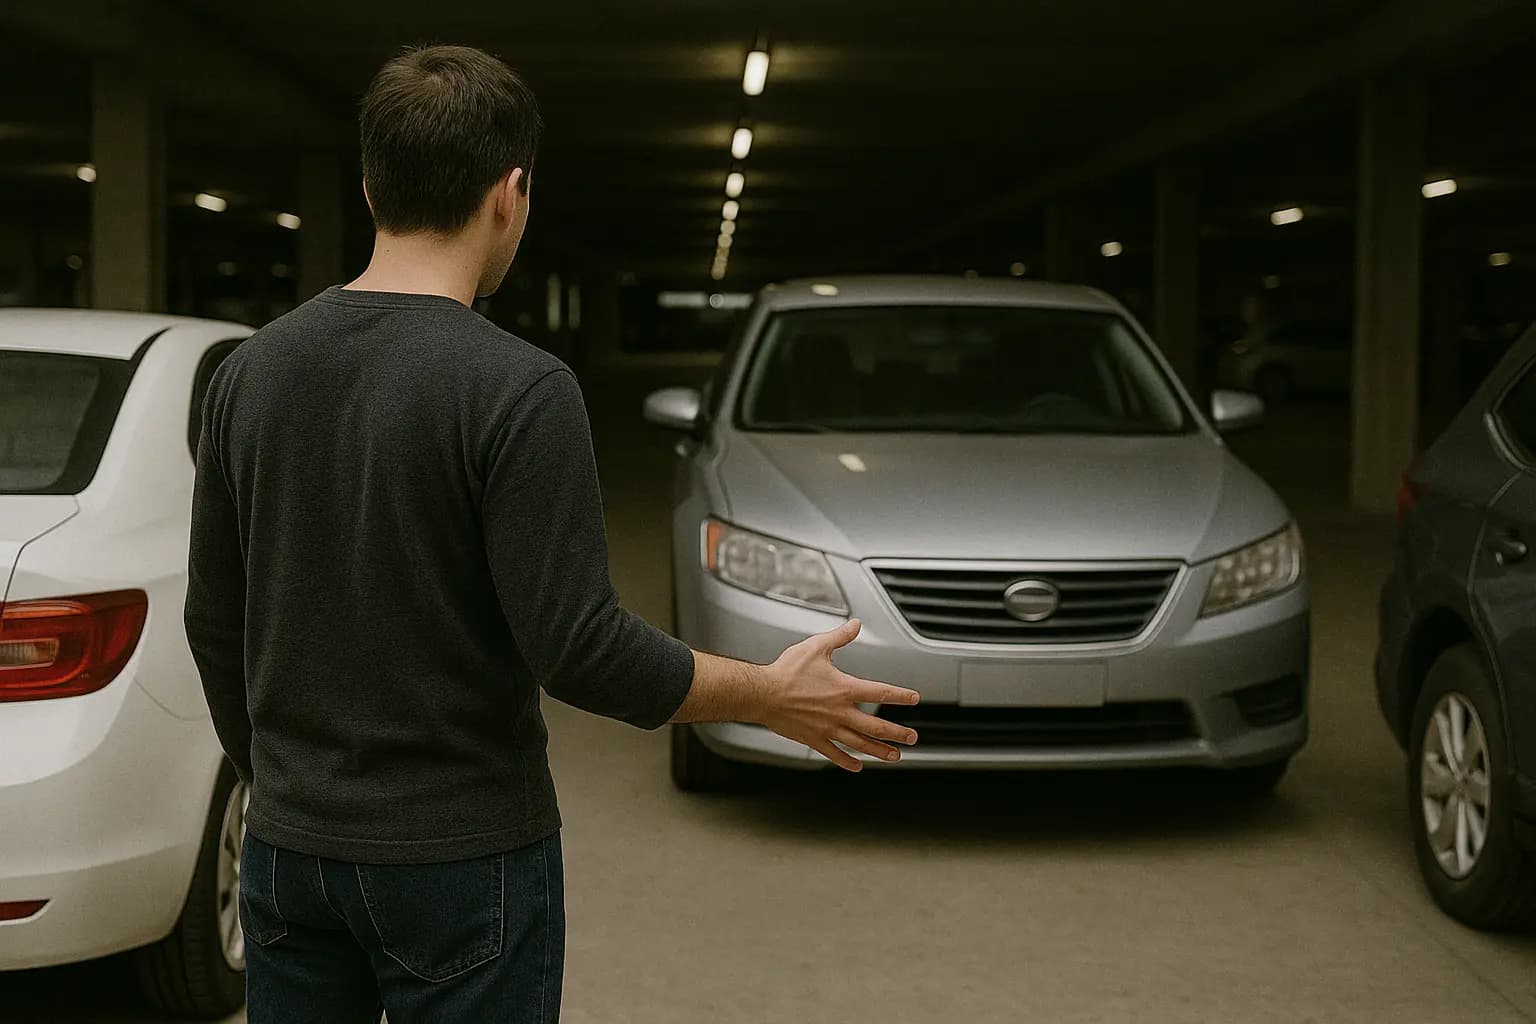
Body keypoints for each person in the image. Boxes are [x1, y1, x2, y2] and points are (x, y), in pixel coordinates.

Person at [184, 44, 919, 1024]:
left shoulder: (249, 372)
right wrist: (767, 693)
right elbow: (579, 649)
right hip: (461, 860)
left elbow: (212, 621)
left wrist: (283, 783)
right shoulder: (520, 388)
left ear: (370, 187)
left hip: (290, 852)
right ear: (511, 192)